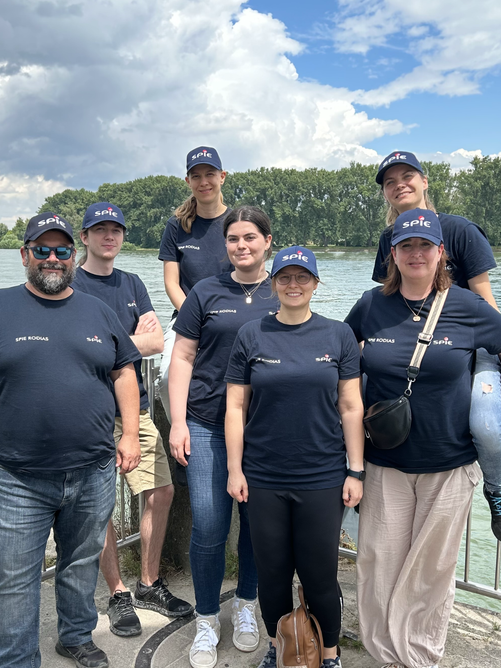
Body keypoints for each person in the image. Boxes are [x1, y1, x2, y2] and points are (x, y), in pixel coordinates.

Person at [0, 212, 142, 668]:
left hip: (94, 470)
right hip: (19, 478)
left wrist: (129, 434)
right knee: (14, 581)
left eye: (62, 250)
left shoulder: (97, 310)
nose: (52, 258)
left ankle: (76, 637)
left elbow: (124, 369)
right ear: (24, 254)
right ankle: (17, 660)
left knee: (81, 564)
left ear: (73, 256)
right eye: (42, 249)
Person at [346, 209, 501, 668]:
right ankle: (386, 655)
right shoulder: (370, 306)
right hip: (384, 461)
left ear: (441, 253)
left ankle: (420, 656)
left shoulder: (467, 307)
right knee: (378, 561)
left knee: (431, 570)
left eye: (425, 246)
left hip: (449, 463)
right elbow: (341, 361)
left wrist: (497, 410)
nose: (416, 254)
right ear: (393, 255)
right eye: (406, 246)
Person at [372, 150, 501, 542]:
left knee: (486, 424)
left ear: (425, 182)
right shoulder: (388, 239)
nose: (399, 185)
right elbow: (387, 300)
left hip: (473, 344)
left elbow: (484, 298)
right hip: (415, 347)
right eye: (390, 182)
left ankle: (497, 488)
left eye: (407, 176)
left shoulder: (458, 230)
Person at [225, 246, 365, 668]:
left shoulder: (338, 335)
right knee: (272, 574)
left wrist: (355, 471)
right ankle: (280, 647)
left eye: (303, 277)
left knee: (320, 575)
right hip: (264, 476)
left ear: (315, 284)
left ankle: (329, 655)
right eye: (285, 277)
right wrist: (235, 469)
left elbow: (350, 406)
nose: (293, 284)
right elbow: (235, 406)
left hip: (322, 476)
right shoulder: (251, 334)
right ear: (273, 283)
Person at [72, 202, 193, 638]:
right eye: (100, 230)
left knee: (161, 490)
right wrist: (127, 342)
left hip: (134, 410)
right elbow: (73, 346)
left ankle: (148, 583)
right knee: (97, 504)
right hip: (86, 412)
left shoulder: (132, 283)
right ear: (84, 237)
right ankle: (118, 592)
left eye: (116, 230)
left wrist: (105, 343)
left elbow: (157, 342)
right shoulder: (70, 282)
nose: (109, 237)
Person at [168, 206, 279, 668]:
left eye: (250, 237)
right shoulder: (205, 292)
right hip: (207, 423)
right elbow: (182, 357)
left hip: (266, 431)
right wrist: (178, 422)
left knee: (256, 527)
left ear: (267, 241)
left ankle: (247, 605)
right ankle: (207, 618)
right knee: (210, 526)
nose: (241, 245)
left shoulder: (284, 289)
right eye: (233, 238)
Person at [157, 145, 232, 422]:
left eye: (210, 174)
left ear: (222, 176)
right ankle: (182, 428)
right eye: (196, 176)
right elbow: (171, 284)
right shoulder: (176, 226)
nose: (204, 182)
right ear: (188, 181)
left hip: (233, 316)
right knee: (167, 378)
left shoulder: (237, 222)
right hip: (187, 316)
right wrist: (196, 319)